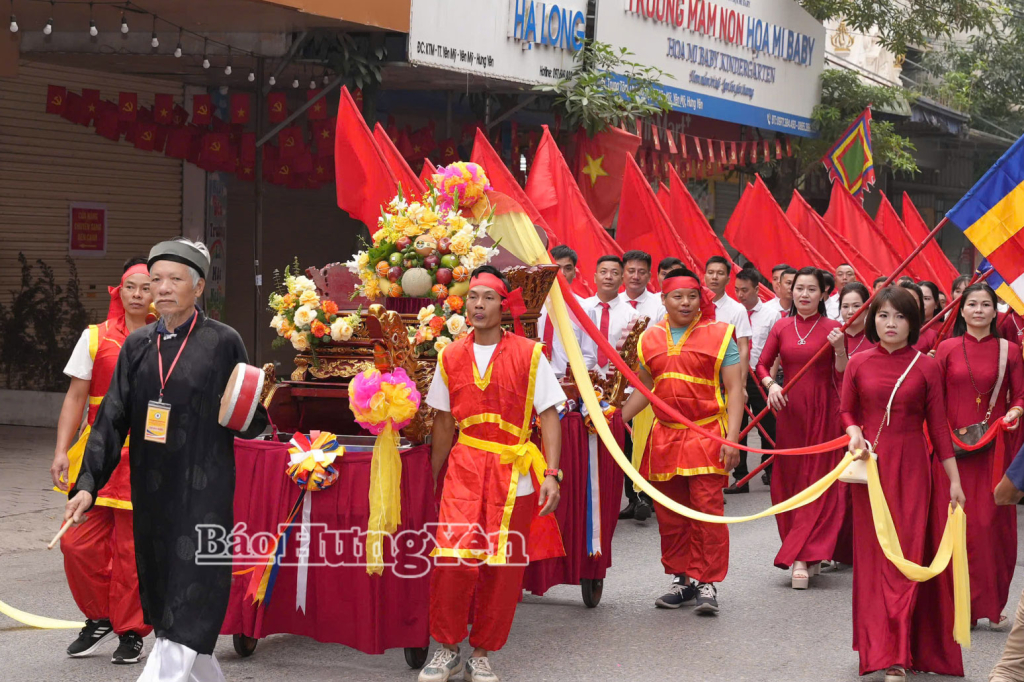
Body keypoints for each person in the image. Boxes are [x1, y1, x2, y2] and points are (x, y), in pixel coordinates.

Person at [64, 239, 269, 682]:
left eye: (175, 279)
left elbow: (250, 418)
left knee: (192, 584)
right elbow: (111, 420)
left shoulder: (222, 341)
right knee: (161, 584)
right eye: (156, 279)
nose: (162, 288)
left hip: (204, 486)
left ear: (198, 288)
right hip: (152, 487)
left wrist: (250, 407)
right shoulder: (137, 346)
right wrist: (86, 485)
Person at [421, 265, 564, 682]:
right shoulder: (449, 355)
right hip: (464, 469)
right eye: (472, 297)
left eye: (487, 298)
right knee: (451, 559)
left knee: (502, 568)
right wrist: (433, 475)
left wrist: (551, 473)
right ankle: (446, 648)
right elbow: (444, 423)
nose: (478, 304)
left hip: (513, 471)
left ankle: (481, 652)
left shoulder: (529, 353)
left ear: (504, 305)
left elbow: (550, 417)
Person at [842, 286, 965, 680]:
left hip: (914, 471)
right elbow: (846, 409)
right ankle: (883, 648)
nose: (890, 324)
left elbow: (940, 429)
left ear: (912, 323)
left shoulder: (926, 367)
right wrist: (854, 430)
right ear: (872, 320)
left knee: (908, 559)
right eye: (882, 316)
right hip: (872, 473)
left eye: (898, 317)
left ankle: (900, 652)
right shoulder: (857, 363)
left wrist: (955, 481)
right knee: (875, 560)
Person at [621, 267, 744, 614]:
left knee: (707, 512)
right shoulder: (649, 338)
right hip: (665, 438)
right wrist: (615, 418)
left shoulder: (720, 335)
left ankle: (708, 582)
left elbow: (735, 390)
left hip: (707, 435)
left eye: (691, 295)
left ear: (700, 297)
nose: (685, 302)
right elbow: (645, 389)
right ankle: (682, 579)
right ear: (664, 299)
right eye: (677, 296)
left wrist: (732, 438)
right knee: (671, 514)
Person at [52, 258, 154, 665]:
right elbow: (76, 397)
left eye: (146, 287)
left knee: (133, 552)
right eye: (131, 286)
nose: (137, 294)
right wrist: (61, 450)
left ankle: (130, 631)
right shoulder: (94, 337)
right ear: (119, 290)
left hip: (145, 457)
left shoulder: (166, 339)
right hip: (97, 456)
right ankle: (99, 617)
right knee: (76, 543)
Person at [936, 283, 1024, 628]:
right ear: (961, 310)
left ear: (995, 311)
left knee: (988, 526)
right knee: (952, 523)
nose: (978, 310)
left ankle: (984, 602)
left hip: (993, 449)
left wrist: (1016, 412)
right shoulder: (945, 349)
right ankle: (956, 603)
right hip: (950, 451)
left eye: (985, 305)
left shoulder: (1010, 351)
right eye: (971, 304)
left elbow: (1019, 396)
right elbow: (934, 400)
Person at [756, 267, 848, 588]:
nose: (804, 294)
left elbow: (842, 375)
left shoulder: (834, 327)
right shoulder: (781, 326)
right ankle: (806, 550)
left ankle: (801, 556)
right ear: (789, 291)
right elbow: (762, 364)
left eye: (812, 289)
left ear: (824, 294)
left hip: (825, 412)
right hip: (790, 412)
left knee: (819, 481)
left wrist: (839, 350)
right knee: (791, 481)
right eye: (799, 288)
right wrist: (770, 385)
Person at [586, 255, 652, 521]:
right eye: (604, 271)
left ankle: (627, 498)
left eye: (615, 272)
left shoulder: (634, 316)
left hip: (620, 392)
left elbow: (633, 357)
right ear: (595, 276)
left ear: (620, 277)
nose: (609, 276)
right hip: (586, 387)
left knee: (623, 445)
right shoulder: (581, 308)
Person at [727, 268, 780, 493]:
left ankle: (770, 471)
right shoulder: (732, 312)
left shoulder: (770, 314)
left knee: (768, 425)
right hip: (736, 375)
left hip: (762, 376)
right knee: (737, 426)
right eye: (737, 290)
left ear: (757, 289)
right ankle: (741, 478)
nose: (740, 295)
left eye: (745, 290)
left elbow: (776, 350)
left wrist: (770, 379)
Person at [537, 245, 596, 378]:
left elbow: (589, 356)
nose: (562, 273)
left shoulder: (585, 309)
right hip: (535, 379)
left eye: (568, 268)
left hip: (567, 381)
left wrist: (571, 378)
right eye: (557, 267)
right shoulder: (535, 306)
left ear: (575, 272)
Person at [705, 256, 753, 377]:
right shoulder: (694, 307)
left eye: (720, 273)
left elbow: (743, 348)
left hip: (727, 372)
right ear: (704, 276)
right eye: (710, 273)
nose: (714, 277)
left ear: (727, 280)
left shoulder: (737, 310)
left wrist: (742, 384)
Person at [620, 250, 666, 323]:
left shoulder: (661, 306)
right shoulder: (611, 303)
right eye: (631, 271)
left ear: (649, 276)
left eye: (642, 272)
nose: (636, 277)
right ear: (622, 273)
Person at [899, 281, 938, 353]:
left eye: (913, 300)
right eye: (903, 299)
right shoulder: (884, 332)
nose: (907, 304)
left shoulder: (931, 336)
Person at [839, 283, 875, 359]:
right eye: (845, 306)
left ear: (867, 309)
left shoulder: (877, 338)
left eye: (856, 306)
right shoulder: (834, 338)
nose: (850, 311)